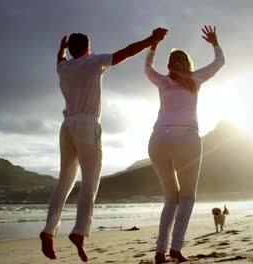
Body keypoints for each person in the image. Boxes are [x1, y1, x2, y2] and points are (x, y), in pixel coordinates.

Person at [40, 27, 168, 262]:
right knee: (90, 180)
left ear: (70, 50)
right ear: (88, 48)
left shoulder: (63, 68)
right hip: (88, 124)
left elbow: (60, 59)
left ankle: (49, 230)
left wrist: (60, 50)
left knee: (64, 182)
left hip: (66, 125)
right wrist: (152, 39)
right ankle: (79, 232)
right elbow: (127, 52)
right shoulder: (94, 61)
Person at [145, 25, 225, 263]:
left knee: (171, 198)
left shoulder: (162, 81)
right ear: (187, 63)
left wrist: (154, 45)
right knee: (187, 198)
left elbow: (147, 68)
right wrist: (214, 42)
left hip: (158, 138)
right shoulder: (195, 78)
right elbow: (219, 62)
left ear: (169, 65)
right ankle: (176, 248)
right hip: (187, 138)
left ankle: (160, 251)